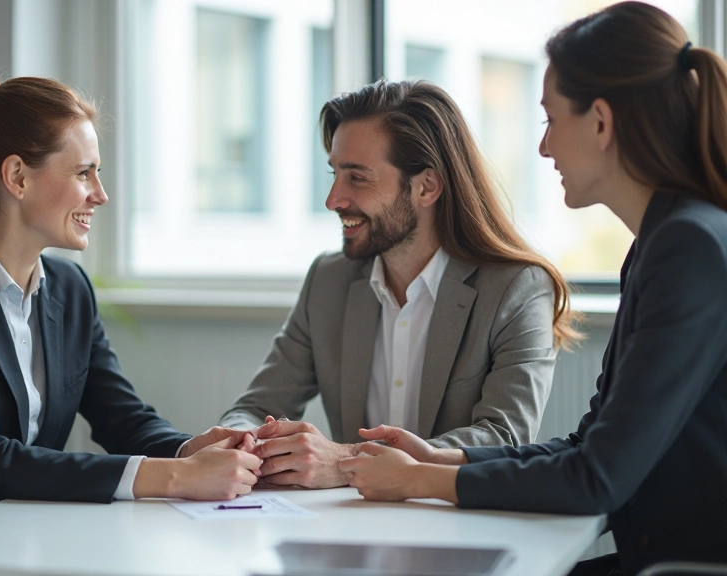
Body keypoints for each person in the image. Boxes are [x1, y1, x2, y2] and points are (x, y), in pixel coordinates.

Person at [338, 3, 727, 575]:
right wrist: (444, 457)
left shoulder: (687, 248)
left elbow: (597, 478)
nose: (544, 148)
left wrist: (421, 481)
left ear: (600, 121)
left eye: (550, 120)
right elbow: (591, 442)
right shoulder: (661, 241)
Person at [0, 65, 260, 542]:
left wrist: (191, 449)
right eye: (84, 173)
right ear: (18, 176)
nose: (100, 195)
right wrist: (174, 477)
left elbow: (122, 418)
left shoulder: (69, 289)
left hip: (27, 538)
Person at [219, 79, 578, 489]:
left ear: (427, 186)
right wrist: (242, 441)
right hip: (355, 524)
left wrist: (344, 461)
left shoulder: (518, 288)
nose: (333, 199)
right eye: (335, 174)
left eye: (357, 178)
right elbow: (256, 405)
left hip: (460, 525)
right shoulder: (328, 279)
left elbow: (503, 438)